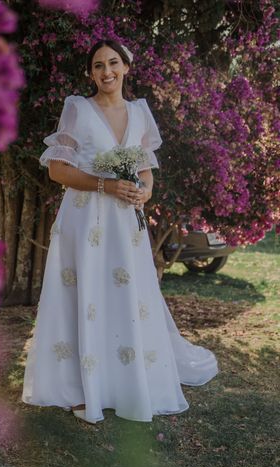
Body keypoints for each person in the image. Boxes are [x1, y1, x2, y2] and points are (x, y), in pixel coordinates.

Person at [21, 39, 218, 423]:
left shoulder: (140, 113)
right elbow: (57, 170)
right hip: (85, 217)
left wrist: (145, 191)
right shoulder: (77, 109)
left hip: (125, 222)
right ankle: (77, 386)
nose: (106, 71)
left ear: (126, 67)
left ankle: (124, 380)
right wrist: (104, 185)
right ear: (90, 73)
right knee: (83, 292)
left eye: (113, 63)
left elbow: (145, 168)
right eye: (98, 65)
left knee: (124, 294)